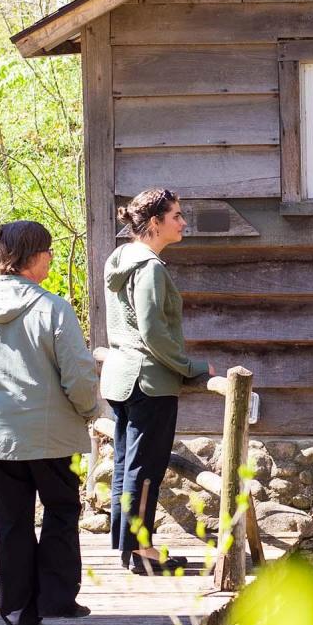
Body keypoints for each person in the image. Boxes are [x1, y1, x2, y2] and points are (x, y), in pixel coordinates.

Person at [0, 220, 99, 625]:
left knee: (12, 521)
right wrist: (87, 411)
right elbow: (79, 375)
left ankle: (18, 612)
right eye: (48, 250)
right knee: (61, 510)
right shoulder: (52, 308)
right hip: (52, 436)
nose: (51, 257)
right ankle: (56, 600)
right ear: (33, 256)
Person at [100, 188, 209, 574]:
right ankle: (142, 554)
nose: (183, 222)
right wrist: (189, 366)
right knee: (144, 470)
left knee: (126, 465)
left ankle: (128, 547)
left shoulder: (119, 260)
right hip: (149, 381)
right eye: (176, 216)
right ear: (154, 223)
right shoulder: (148, 268)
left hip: (120, 378)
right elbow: (153, 332)